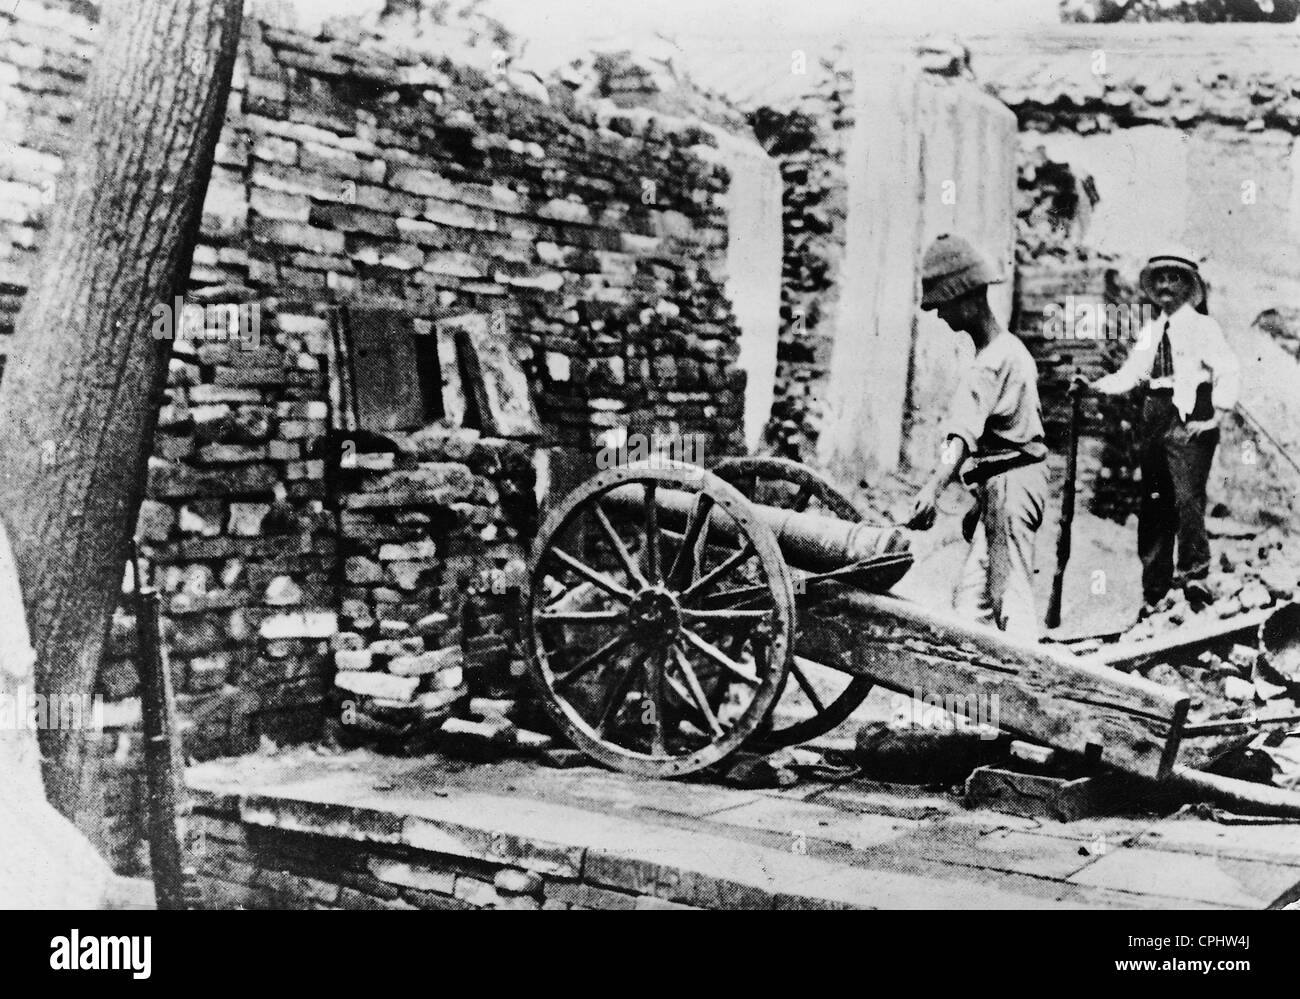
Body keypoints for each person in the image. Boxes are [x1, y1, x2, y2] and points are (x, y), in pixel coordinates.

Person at [906, 234, 1048, 642]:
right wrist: (981, 500)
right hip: (1007, 483)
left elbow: (962, 437)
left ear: (965, 297)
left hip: (1011, 486)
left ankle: (1030, 692)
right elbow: (1004, 438)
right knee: (972, 602)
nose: (939, 316)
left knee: (1010, 599)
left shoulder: (988, 365)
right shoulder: (1013, 350)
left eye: (942, 305)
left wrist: (933, 487)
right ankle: (967, 700)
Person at [1088, 245, 1239, 616]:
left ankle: (1194, 577)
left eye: (1175, 278)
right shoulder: (1152, 330)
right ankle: (1154, 587)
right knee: (1154, 499)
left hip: (1191, 413)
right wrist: (1093, 386)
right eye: (1161, 278)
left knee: (1187, 498)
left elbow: (1228, 369)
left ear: (1189, 286)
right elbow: (1132, 373)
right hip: (1154, 413)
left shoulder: (1204, 327)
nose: (1167, 285)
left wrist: (1216, 415)